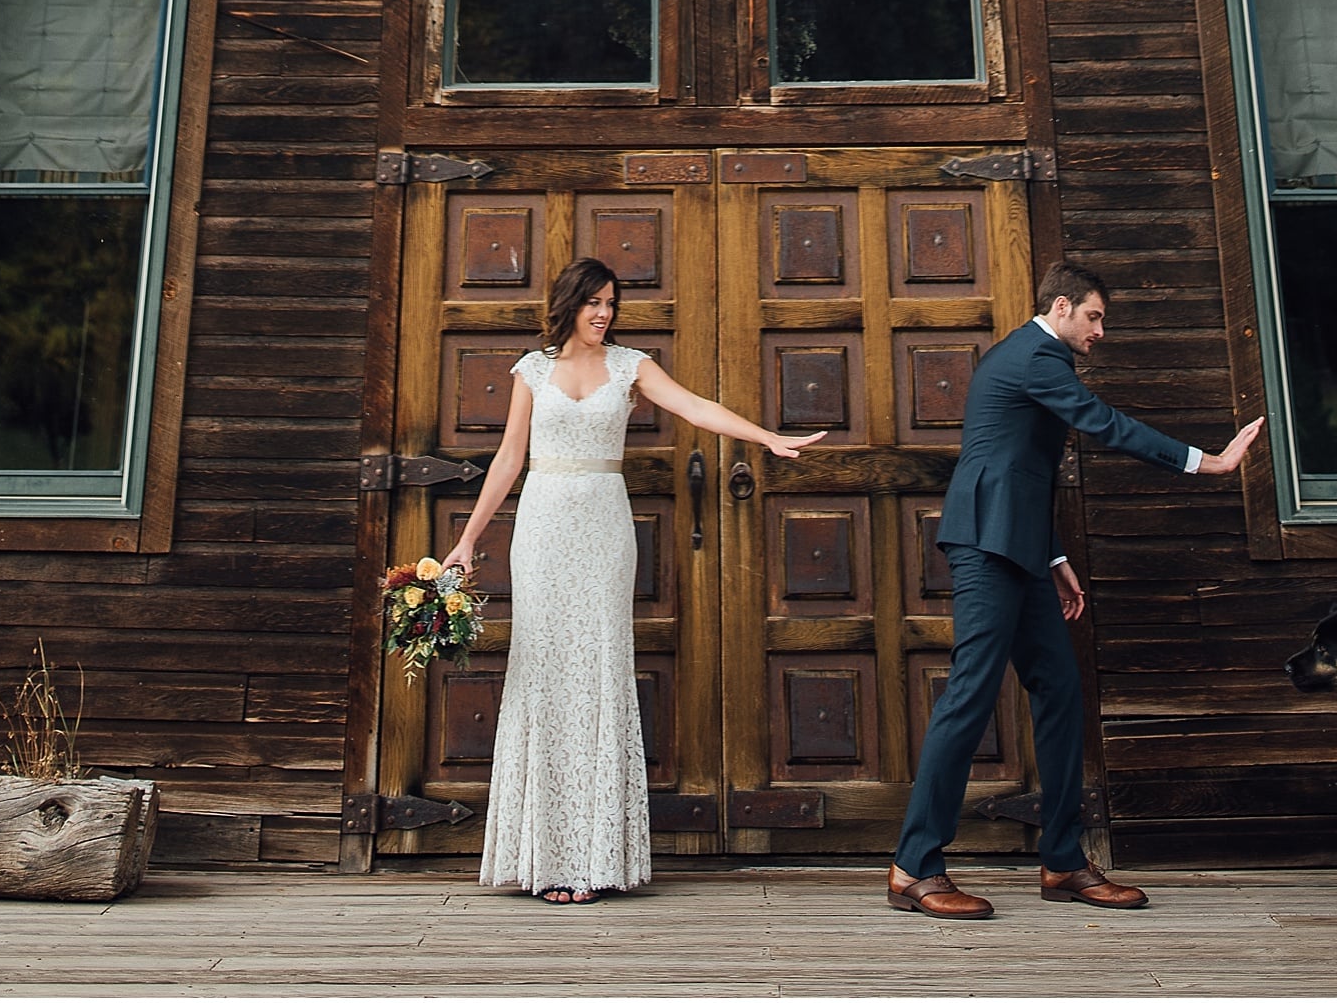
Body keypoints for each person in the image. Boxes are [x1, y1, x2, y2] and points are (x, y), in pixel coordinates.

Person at [888, 257, 1262, 921]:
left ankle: (1062, 857)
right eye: (1094, 316)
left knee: (1059, 688)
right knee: (971, 695)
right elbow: (1103, 422)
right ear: (1061, 308)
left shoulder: (1029, 355)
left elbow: (1017, 461)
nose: (1100, 331)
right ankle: (914, 865)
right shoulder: (1037, 356)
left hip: (1020, 546)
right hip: (986, 545)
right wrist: (1208, 460)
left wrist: (1053, 553)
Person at [443, 254, 823, 904]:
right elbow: (509, 458)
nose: (604, 313)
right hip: (541, 530)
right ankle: (543, 856)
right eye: (594, 301)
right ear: (569, 302)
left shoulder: (630, 364)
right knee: (541, 670)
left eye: (612, 303)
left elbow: (695, 406)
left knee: (597, 672)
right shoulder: (532, 370)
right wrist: (469, 537)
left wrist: (766, 437)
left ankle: (591, 858)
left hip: (603, 531)